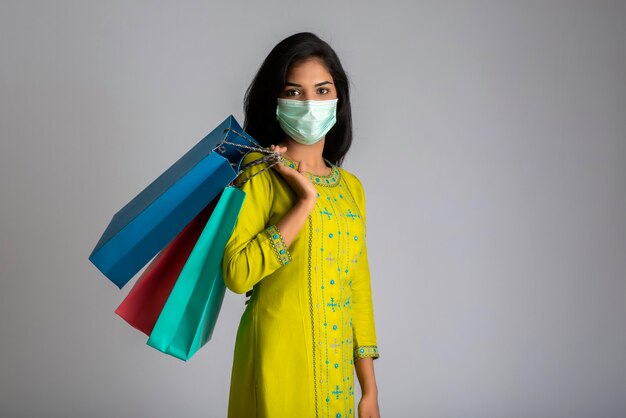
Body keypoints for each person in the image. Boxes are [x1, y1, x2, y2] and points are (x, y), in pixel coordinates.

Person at [222, 32, 381, 418]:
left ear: (338, 99)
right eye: (294, 93)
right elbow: (237, 274)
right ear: (275, 101)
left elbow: (356, 287)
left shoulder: (351, 189)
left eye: (322, 90)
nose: (310, 104)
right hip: (278, 359)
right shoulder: (256, 173)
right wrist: (304, 201)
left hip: (336, 371)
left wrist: (369, 390)